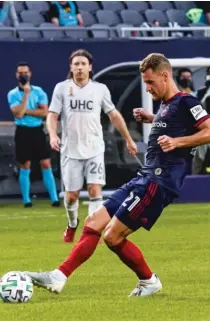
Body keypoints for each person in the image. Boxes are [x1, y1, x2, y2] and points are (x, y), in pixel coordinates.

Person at [24, 53, 210, 297]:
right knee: (93, 222)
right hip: (144, 177)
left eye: (150, 82)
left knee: (112, 236)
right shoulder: (166, 106)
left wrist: (177, 141)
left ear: (165, 75)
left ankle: (148, 281)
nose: (147, 88)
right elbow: (173, 125)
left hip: (159, 182)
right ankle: (58, 276)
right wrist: (152, 118)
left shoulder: (187, 102)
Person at [46, 49, 137, 243]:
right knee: (72, 195)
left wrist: (128, 139)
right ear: (71, 67)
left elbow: (113, 114)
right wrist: (53, 135)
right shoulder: (61, 88)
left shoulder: (100, 89)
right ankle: (72, 224)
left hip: (95, 148)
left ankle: (91, 233)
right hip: (70, 150)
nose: (79, 67)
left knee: (95, 190)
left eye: (83, 64)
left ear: (90, 67)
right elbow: (52, 115)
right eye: (76, 64)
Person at [7, 62, 59, 208]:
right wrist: (26, 95)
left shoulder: (39, 91)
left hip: (37, 130)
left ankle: (54, 198)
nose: (23, 75)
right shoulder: (13, 94)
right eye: (20, 73)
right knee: (25, 165)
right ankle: (26, 200)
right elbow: (17, 113)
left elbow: (44, 112)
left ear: (30, 73)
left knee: (46, 163)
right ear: (16, 75)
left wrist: (26, 111)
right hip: (22, 131)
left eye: (25, 72)